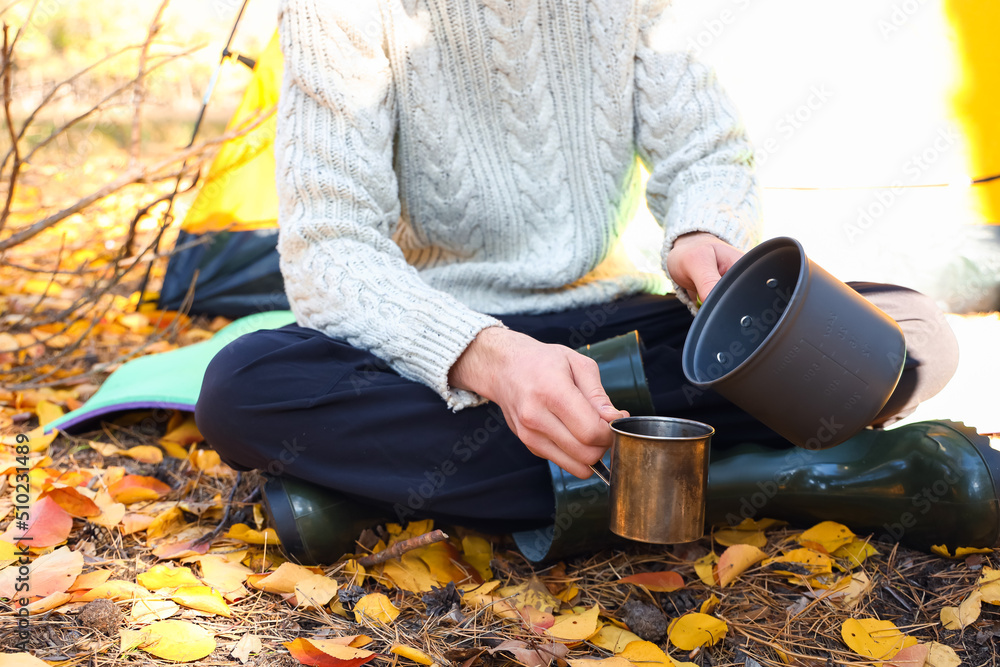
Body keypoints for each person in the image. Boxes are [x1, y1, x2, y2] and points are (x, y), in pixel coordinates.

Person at [195, 0, 997, 563]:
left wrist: (700, 230)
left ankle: (379, 493)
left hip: (608, 333)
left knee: (905, 338)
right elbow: (330, 248)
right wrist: (494, 358)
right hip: (434, 346)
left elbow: (706, 149)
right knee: (244, 387)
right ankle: (740, 481)